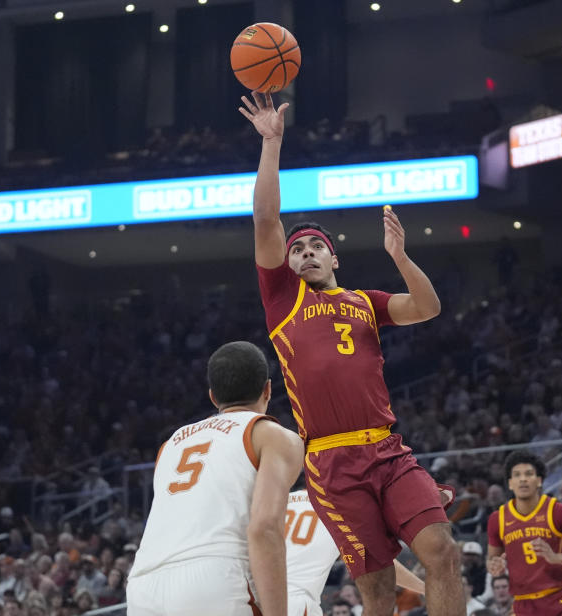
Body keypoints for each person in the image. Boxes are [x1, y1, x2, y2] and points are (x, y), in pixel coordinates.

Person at [240, 90, 460, 615]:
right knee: (378, 588)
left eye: (315, 246)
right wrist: (272, 144)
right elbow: (266, 221)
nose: (306, 252)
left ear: (333, 256)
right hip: (330, 461)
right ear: (287, 264)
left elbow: (428, 307)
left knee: (443, 552)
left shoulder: (366, 302)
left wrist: (401, 257)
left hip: (387, 450)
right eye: (298, 249)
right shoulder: (283, 301)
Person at [126, 341, 305, 616]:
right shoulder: (273, 436)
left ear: (212, 396)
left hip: (144, 583)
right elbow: (264, 528)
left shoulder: (171, 444)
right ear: (268, 389)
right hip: (215, 576)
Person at [486, 451, 562, 616]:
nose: (523, 479)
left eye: (529, 474)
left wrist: (557, 558)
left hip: (557, 600)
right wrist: (494, 566)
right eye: (517, 475)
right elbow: (492, 560)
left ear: (539, 481)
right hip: (522, 604)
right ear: (510, 484)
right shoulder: (497, 519)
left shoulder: (559, 511)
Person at [284, 487, 426, 616]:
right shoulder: (339, 511)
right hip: (295, 602)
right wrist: (425, 589)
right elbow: (379, 563)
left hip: (265, 598)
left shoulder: (281, 501)